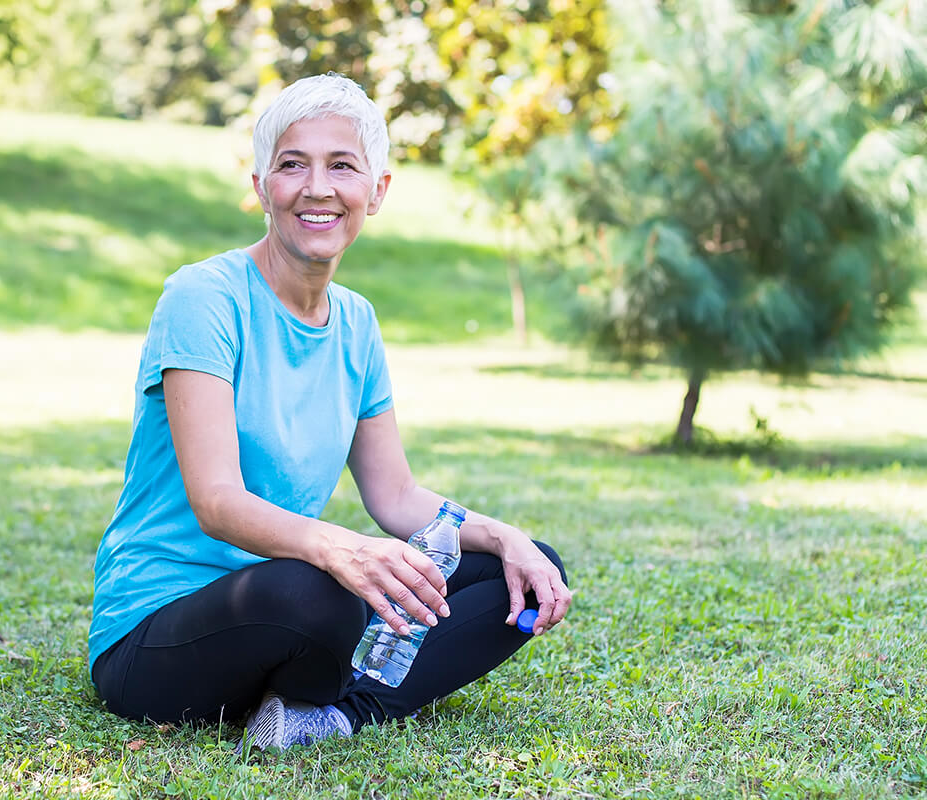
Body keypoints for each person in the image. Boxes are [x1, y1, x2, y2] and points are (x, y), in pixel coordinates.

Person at [88, 72, 572, 752]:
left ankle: (326, 716)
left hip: (293, 604)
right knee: (322, 592)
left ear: (376, 192)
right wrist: (345, 552)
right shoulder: (203, 298)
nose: (317, 187)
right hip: (159, 635)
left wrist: (504, 537)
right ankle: (321, 683)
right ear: (261, 186)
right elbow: (217, 500)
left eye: (342, 166)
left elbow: (397, 496)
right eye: (293, 165)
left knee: (518, 572)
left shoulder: (356, 322)